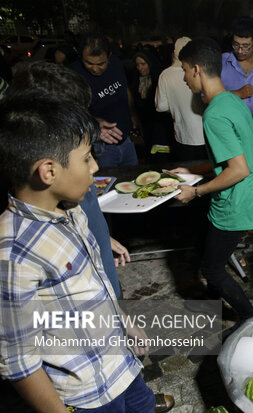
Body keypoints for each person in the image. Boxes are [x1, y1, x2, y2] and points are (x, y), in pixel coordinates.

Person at [0, 93, 174, 413]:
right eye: (85, 158)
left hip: (121, 366)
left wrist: (124, 322)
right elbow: (18, 363)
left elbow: (93, 285)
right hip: (88, 394)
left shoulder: (71, 208)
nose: (95, 165)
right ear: (48, 171)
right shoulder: (13, 256)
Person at [8, 61, 129, 298]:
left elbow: (82, 216)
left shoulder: (69, 163)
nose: (94, 167)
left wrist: (103, 238)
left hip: (103, 279)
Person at [172, 39, 253, 327]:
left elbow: (237, 169)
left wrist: (196, 191)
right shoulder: (230, 100)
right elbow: (230, 156)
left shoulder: (214, 113)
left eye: (185, 70)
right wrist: (192, 170)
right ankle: (216, 311)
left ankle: (251, 321)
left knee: (212, 268)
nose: (184, 77)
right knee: (212, 255)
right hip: (248, 196)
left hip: (235, 204)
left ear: (197, 70)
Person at [70, 33, 138, 167]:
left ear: (109, 56)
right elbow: (70, 111)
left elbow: (125, 90)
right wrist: (94, 123)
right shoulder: (73, 74)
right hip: (100, 146)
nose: (95, 69)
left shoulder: (116, 64)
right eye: (88, 63)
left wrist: (133, 115)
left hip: (126, 140)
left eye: (101, 63)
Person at [221, 19, 253, 155]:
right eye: (236, 45)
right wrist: (237, 94)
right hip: (231, 138)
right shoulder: (222, 62)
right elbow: (207, 98)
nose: (240, 50)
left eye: (246, 46)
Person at [156, 36, 207, 161]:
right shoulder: (200, 70)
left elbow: (161, 107)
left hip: (183, 136)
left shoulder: (165, 75)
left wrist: (176, 107)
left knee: (186, 174)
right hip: (206, 135)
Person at [129, 49, 172, 161]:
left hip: (160, 123)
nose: (140, 68)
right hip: (145, 123)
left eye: (143, 64)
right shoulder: (135, 79)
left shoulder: (159, 78)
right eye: (137, 65)